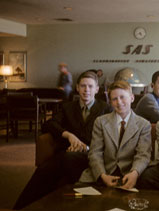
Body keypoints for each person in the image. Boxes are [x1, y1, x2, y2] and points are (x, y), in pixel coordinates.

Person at [14, 71, 112, 209]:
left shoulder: (106, 109)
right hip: (66, 152)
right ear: (77, 88)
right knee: (43, 170)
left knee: (66, 163)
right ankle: (20, 208)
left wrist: (86, 147)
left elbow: (110, 136)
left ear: (97, 89)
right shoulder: (68, 107)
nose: (86, 90)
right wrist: (68, 135)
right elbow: (48, 124)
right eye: (83, 86)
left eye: (90, 86)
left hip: (92, 154)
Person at [79, 80, 151, 189]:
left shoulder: (143, 124)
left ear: (132, 98)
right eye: (114, 99)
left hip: (129, 174)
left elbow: (143, 155)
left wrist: (134, 173)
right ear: (110, 102)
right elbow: (95, 152)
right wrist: (102, 175)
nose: (119, 102)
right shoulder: (100, 122)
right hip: (104, 173)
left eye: (123, 97)